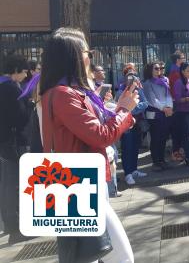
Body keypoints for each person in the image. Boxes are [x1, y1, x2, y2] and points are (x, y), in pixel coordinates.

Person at [40, 27, 137, 263]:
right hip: (77, 183)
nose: (89, 57)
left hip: (78, 181)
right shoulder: (64, 93)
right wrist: (124, 109)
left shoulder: (69, 91)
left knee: (91, 257)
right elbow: (101, 135)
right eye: (86, 52)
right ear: (72, 56)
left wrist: (119, 112)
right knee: (120, 258)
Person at [0, 53, 32, 244]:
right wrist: (29, 104)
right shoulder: (11, 89)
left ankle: (10, 224)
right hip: (12, 142)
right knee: (13, 185)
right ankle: (16, 228)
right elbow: (20, 118)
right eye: (25, 70)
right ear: (16, 70)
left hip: (3, 142)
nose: (27, 73)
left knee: (6, 185)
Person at [117, 64, 149, 186]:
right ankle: (128, 173)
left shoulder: (139, 90)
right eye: (129, 77)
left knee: (136, 146)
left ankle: (134, 170)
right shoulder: (121, 91)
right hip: (126, 123)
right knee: (127, 147)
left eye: (134, 77)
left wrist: (134, 107)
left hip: (138, 122)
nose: (132, 80)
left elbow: (145, 103)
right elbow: (122, 107)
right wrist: (133, 108)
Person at [143, 61, 174, 171]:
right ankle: (156, 162)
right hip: (154, 113)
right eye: (156, 68)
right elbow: (152, 99)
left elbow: (168, 95)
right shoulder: (147, 83)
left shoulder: (164, 81)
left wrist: (169, 107)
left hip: (166, 112)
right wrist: (164, 108)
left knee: (163, 137)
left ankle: (162, 160)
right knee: (156, 138)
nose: (159, 70)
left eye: (160, 68)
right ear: (150, 70)